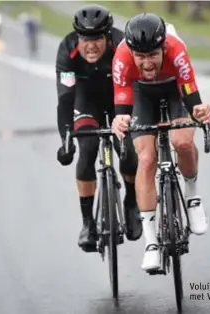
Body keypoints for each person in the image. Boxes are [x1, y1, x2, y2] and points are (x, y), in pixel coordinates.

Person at [110, 13, 210, 271]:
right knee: (146, 159)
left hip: (174, 89)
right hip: (141, 94)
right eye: (141, 57)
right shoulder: (122, 57)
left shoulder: (176, 49)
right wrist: (119, 121)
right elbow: (122, 103)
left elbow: (191, 94)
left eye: (152, 56)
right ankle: (151, 243)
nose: (146, 63)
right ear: (132, 52)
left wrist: (200, 111)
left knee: (184, 143)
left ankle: (192, 197)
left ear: (163, 48)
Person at [55, 4, 142, 253]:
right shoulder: (67, 49)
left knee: (127, 150)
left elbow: (135, 87)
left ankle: (132, 201)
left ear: (107, 36)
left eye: (96, 39)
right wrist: (66, 141)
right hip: (86, 101)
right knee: (88, 148)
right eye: (85, 39)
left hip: (119, 99)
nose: (90, 46)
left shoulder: (122, 45)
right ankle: (88, 223)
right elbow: (65, 99)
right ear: (77, 38)